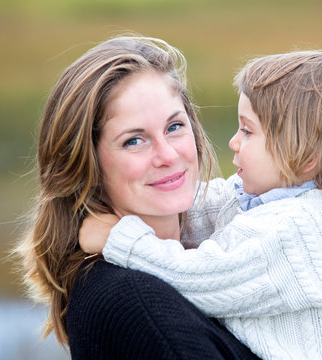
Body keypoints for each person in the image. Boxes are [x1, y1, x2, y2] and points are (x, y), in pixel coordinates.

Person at [80, 49, 322, 359]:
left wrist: (120, 237)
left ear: (306, 157)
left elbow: (198, 278)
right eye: (133, 140)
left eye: (248, 131)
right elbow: (206, 203)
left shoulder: (295, 228)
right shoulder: (268, 197)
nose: (233, 141)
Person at [14, 35, 261, 359]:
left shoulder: (215, 244)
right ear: (86, 165)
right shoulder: (139, 305)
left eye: (174, 127)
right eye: (134, 141)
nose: (168, 155)